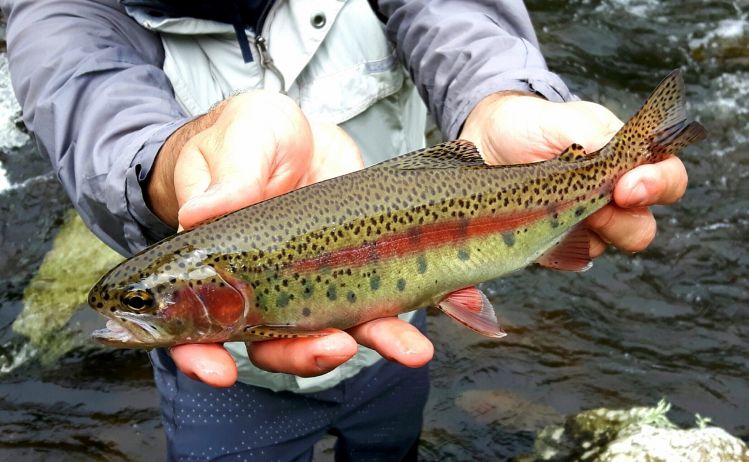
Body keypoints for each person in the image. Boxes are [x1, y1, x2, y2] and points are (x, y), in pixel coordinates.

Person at [1, 0, 688, 460]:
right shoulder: (55, 17)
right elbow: (92, 110)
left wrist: (502, 96)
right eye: (145, 303)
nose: (132, 313)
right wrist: (171, 161)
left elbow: (457, 22)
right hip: (225, 385)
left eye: (145, 301)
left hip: (394, 347)